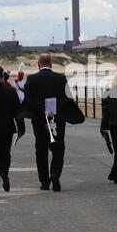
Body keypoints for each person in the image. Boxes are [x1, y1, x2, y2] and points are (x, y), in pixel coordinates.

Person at [23, 54, 72, 192]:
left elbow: (28, 100)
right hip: (57, 119)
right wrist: (53, 109)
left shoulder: (31, 79)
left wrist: (43, 109)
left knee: (41, 151)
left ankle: (44, 182)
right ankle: (55, 173)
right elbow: (67, 98)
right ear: (51, 64)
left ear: (38, 64)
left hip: (39, 120)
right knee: (58, 149)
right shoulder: (61, 79)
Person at [13, 71, 26, 138]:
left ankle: (20, 129)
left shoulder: (15, 83)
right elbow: (24, 90)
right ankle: (21, 129)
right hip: (22, 98)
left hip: (17, 98)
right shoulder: (22, 83)